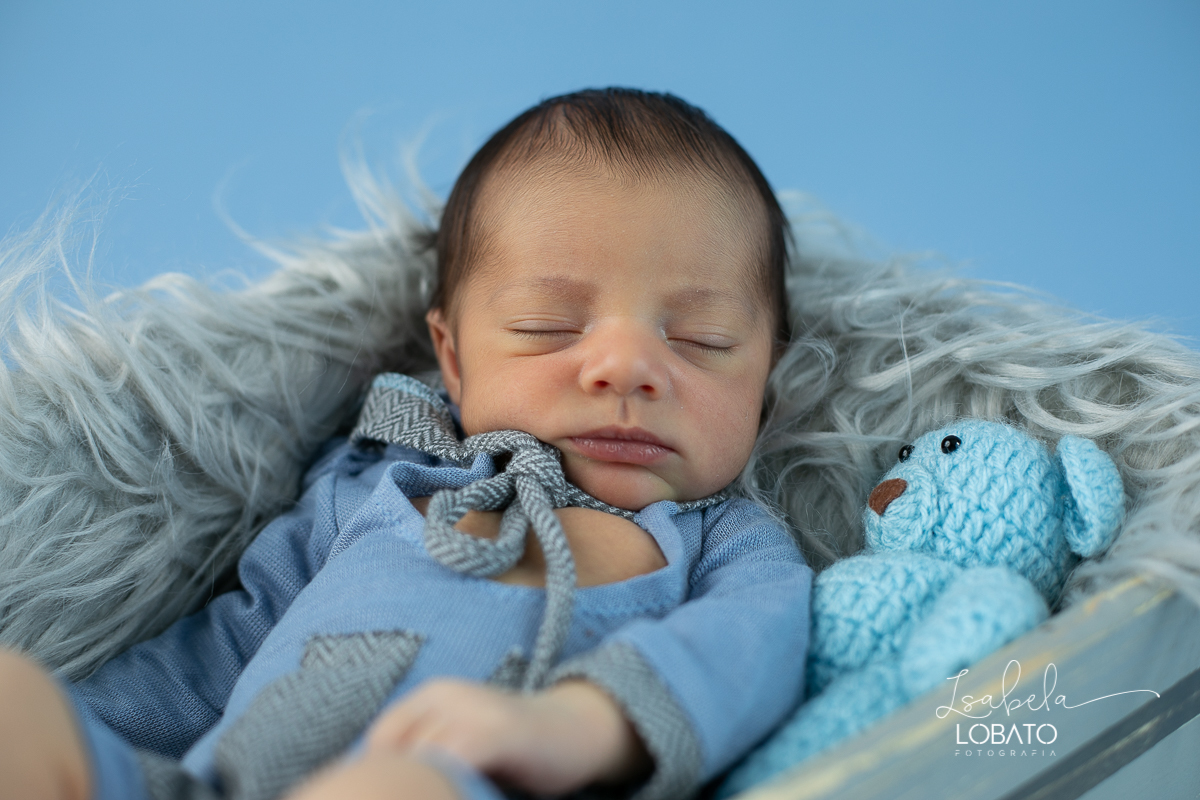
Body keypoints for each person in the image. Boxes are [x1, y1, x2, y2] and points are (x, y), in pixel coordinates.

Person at [0, 88, 812, 800]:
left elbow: (747, 655)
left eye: (703, 340)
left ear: (765, 384)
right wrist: (87, 727)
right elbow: (230, 647)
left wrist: (572, 726)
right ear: (453, 362)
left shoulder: (725, 543)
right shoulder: (375, 482)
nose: (627, 368)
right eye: (548, 328)